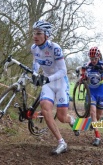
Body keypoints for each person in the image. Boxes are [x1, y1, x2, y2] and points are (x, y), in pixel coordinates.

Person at [30, 20, 78, 155]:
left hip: (60, 83)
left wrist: (47, 78)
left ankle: (72, 120)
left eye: (39, 33)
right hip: (48, 84)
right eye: (34, 33)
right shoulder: (34, 48)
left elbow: (63, 70)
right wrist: (35, 73)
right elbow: (36, 62)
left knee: (62, 118)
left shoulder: (55, 48)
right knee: (45, 109)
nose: (35, 36)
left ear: (47, 35)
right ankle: (61, 142)